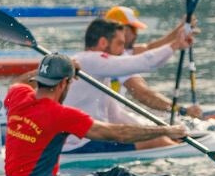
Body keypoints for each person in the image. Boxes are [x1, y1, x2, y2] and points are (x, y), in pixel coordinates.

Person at [0, 54, 187, 176]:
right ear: (64, 83)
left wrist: (46, 70)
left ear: (40, 78)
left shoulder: (17, 96)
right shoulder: (61, 115)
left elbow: (18, 81)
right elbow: (117, 134)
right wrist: (164, 131)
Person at [62, 18, 193, 154]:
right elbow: (143, 63)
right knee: (157, 142)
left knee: (158, 138)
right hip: (80, 144)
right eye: (119, 44)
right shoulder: (90, 60)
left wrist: (154, 130)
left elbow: (116, 115)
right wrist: (175, 45)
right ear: (103, 43)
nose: (122, 51)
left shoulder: (95, 69)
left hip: (89, 140)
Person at [104, 6, 203, 119]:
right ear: (122, 30)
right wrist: (182, 111)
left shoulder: (103, 51)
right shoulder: (118, 59)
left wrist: (180, 30)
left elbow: (149, 48)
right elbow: (144, 95)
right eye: (134, 29)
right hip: (108, 124)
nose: (136, 34)